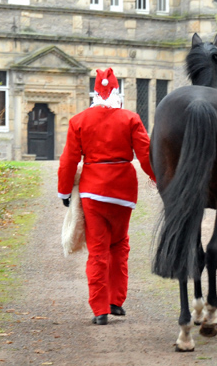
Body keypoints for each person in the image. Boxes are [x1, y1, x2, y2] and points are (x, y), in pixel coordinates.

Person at [57, 68, 156, 325]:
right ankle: (116, 300)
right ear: (117, 92)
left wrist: (65, 191)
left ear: (95, 93)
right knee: (120, 245)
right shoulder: (131, 119)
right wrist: (160, 179)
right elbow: (145, 155)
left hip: (93, 193)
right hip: (123, 193)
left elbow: (68, 160)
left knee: (98, 251)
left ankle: (100, 309)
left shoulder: (78, 121)